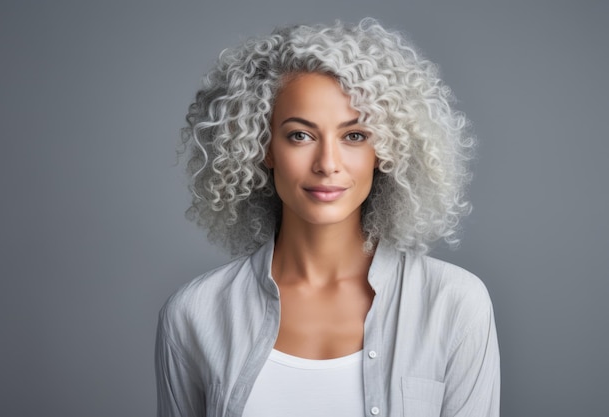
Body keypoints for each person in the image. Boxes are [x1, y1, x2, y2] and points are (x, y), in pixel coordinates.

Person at [156, 18, 500, 417]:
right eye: (300, 135)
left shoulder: (454, 303)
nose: (327, 164)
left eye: (354, 136)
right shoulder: (194, 314)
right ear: (263, 147)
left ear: (384, 151)